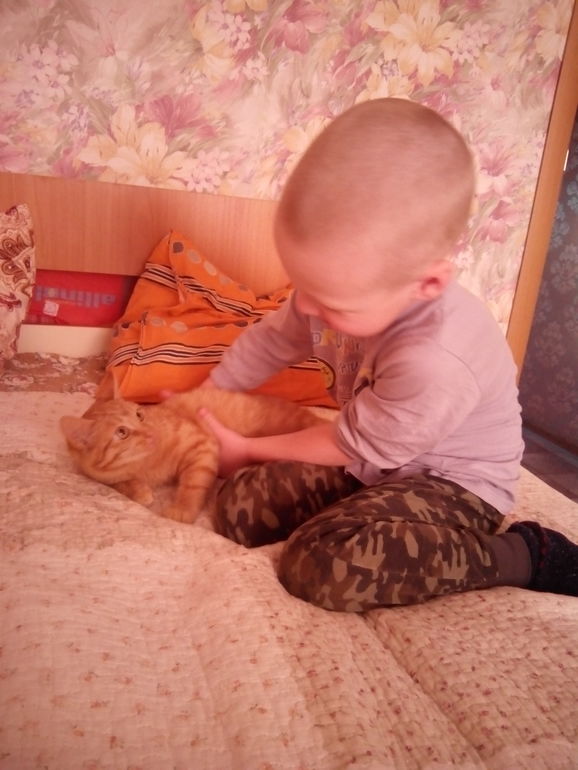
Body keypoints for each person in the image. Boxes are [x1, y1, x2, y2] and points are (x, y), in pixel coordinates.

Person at [197, 98, 578, 611]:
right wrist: (206, 397)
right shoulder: (334, 293)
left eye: (330, 303)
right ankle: (364, 508)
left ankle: (524, 553)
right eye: (301, 285)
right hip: (375, 461)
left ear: (427, 284)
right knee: (240, 507)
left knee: (322, 564)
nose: (304, 307)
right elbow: (271, 340)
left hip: (454, 483)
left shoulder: (435, 359)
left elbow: (347, 442)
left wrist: (246, 448)